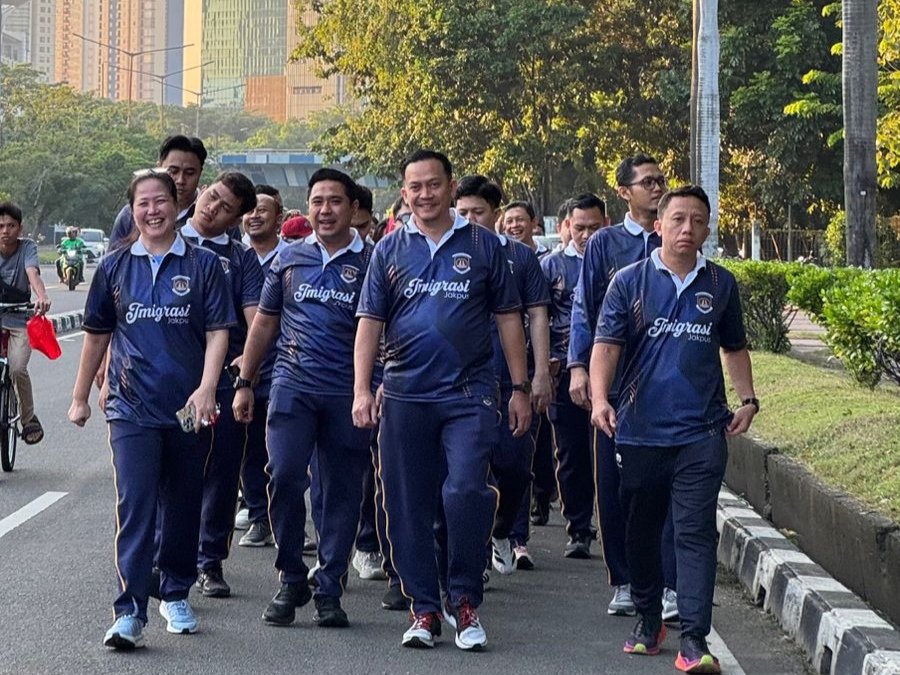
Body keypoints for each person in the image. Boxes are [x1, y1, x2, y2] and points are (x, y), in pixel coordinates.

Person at [352, 149, 530, 651]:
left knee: (466, 490)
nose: (425, 194)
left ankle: (465, 600)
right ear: (404, 193)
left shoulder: (484, 245)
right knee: (406, 503)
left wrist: (519, 388)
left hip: (469, 394)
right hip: (405, 394)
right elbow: (370, 322)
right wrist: (362, 388)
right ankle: (425, 608)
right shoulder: (389, 249)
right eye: (415, 187)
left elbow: (509, 319)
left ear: (451, 187)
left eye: (434, 184)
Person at [590, 185, 758, 673]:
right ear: (659, 225)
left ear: (707, 229)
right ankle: (648, 618)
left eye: (698, 221)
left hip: (702, 433)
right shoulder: (628, 282)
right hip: (640, 430)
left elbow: (734, 347)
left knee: (694, 531)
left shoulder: (721, 284)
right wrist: (600, 399)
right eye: (679, 219)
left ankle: (694, 639)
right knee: (641, 530)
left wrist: (748, 400)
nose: (688, 229)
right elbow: (607, 346)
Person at [67, 171, 234, 650]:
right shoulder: (114, 267)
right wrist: (80, 396)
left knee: (182, 503)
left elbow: (218, 332)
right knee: (136, 504)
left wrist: (207, 389)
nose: (153, 211)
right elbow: (97, 334)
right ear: (132, 210)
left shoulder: (204, 265)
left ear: (176, 206)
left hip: (188, 408)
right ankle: (129, 612)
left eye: (161, 201)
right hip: (130, 407)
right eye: (143, 203)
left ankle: (175, 592)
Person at [233, 168, 373, 628]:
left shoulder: (373, 261)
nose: (325, 210)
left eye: (335, 201)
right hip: (292, 387)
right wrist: (245, 381)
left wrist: (372, 389)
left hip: (347, 393)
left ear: (353, 208)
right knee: (285, 475)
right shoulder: (289, 257)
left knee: (341, 490)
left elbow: (383, 330)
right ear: (307, 206)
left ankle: (329, 587)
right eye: (317, 201)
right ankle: (291, 575)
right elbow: (265, 322)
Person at [567, 153, 678, 616]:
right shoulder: (605, 244)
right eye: (647, 182)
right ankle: (625, 580)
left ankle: (669, 584)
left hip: (666, 386)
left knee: (667, 487)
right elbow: (584, 307)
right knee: (615, 486)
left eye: (660, 180)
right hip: (614, 384)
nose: (656, 188)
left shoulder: (676, 238)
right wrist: (578, 367)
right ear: (624, 192)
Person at [455, 175, 551, 574]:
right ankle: (472, 555)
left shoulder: (520, 257)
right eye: (462, 212)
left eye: (478, 212)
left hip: (512, 379)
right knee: (467, 474)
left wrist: (539, 374)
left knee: (514, 467)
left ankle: (501, 529)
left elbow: (537, 314)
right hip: (461, 384)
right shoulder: (445, 253)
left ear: (496, 213)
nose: (470, 220)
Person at [179, 171, 262, 598]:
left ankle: (209, 561)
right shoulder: (165, 237)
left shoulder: (240, 258)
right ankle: (164, 556)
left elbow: (255, 317)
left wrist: (248, 370)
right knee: (171, 467)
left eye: (225, 207)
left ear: (236, 220)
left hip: (226, 382)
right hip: (172, 377)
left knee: (222, 471)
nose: (212, 208)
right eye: (212, 196)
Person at [235, 184, 289, 548]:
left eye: (263, 210)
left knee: (283, 453)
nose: (254, 216)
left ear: (279, 218)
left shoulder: (293, 258)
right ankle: (258, 515)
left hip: (284, 368)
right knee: (249, 447)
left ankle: (288, 522)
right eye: (249, 210)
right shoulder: (236, 259)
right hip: (242, 370)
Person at [0, 202, 51, 445]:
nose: (5, 231)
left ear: (20, 228)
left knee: (18, 368)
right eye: (1, 226)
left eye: (11, 226)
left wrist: (42, 297)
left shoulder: (27, 247)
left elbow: (33, 274)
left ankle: (29, 419)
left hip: (20, 318)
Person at [109, 136, 208, 249]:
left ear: (200, 173)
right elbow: (114, 258)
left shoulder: (210, 215)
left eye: (189, 173)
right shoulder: (130, 215)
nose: (181, 180)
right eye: (173, 171)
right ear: (159, 168)